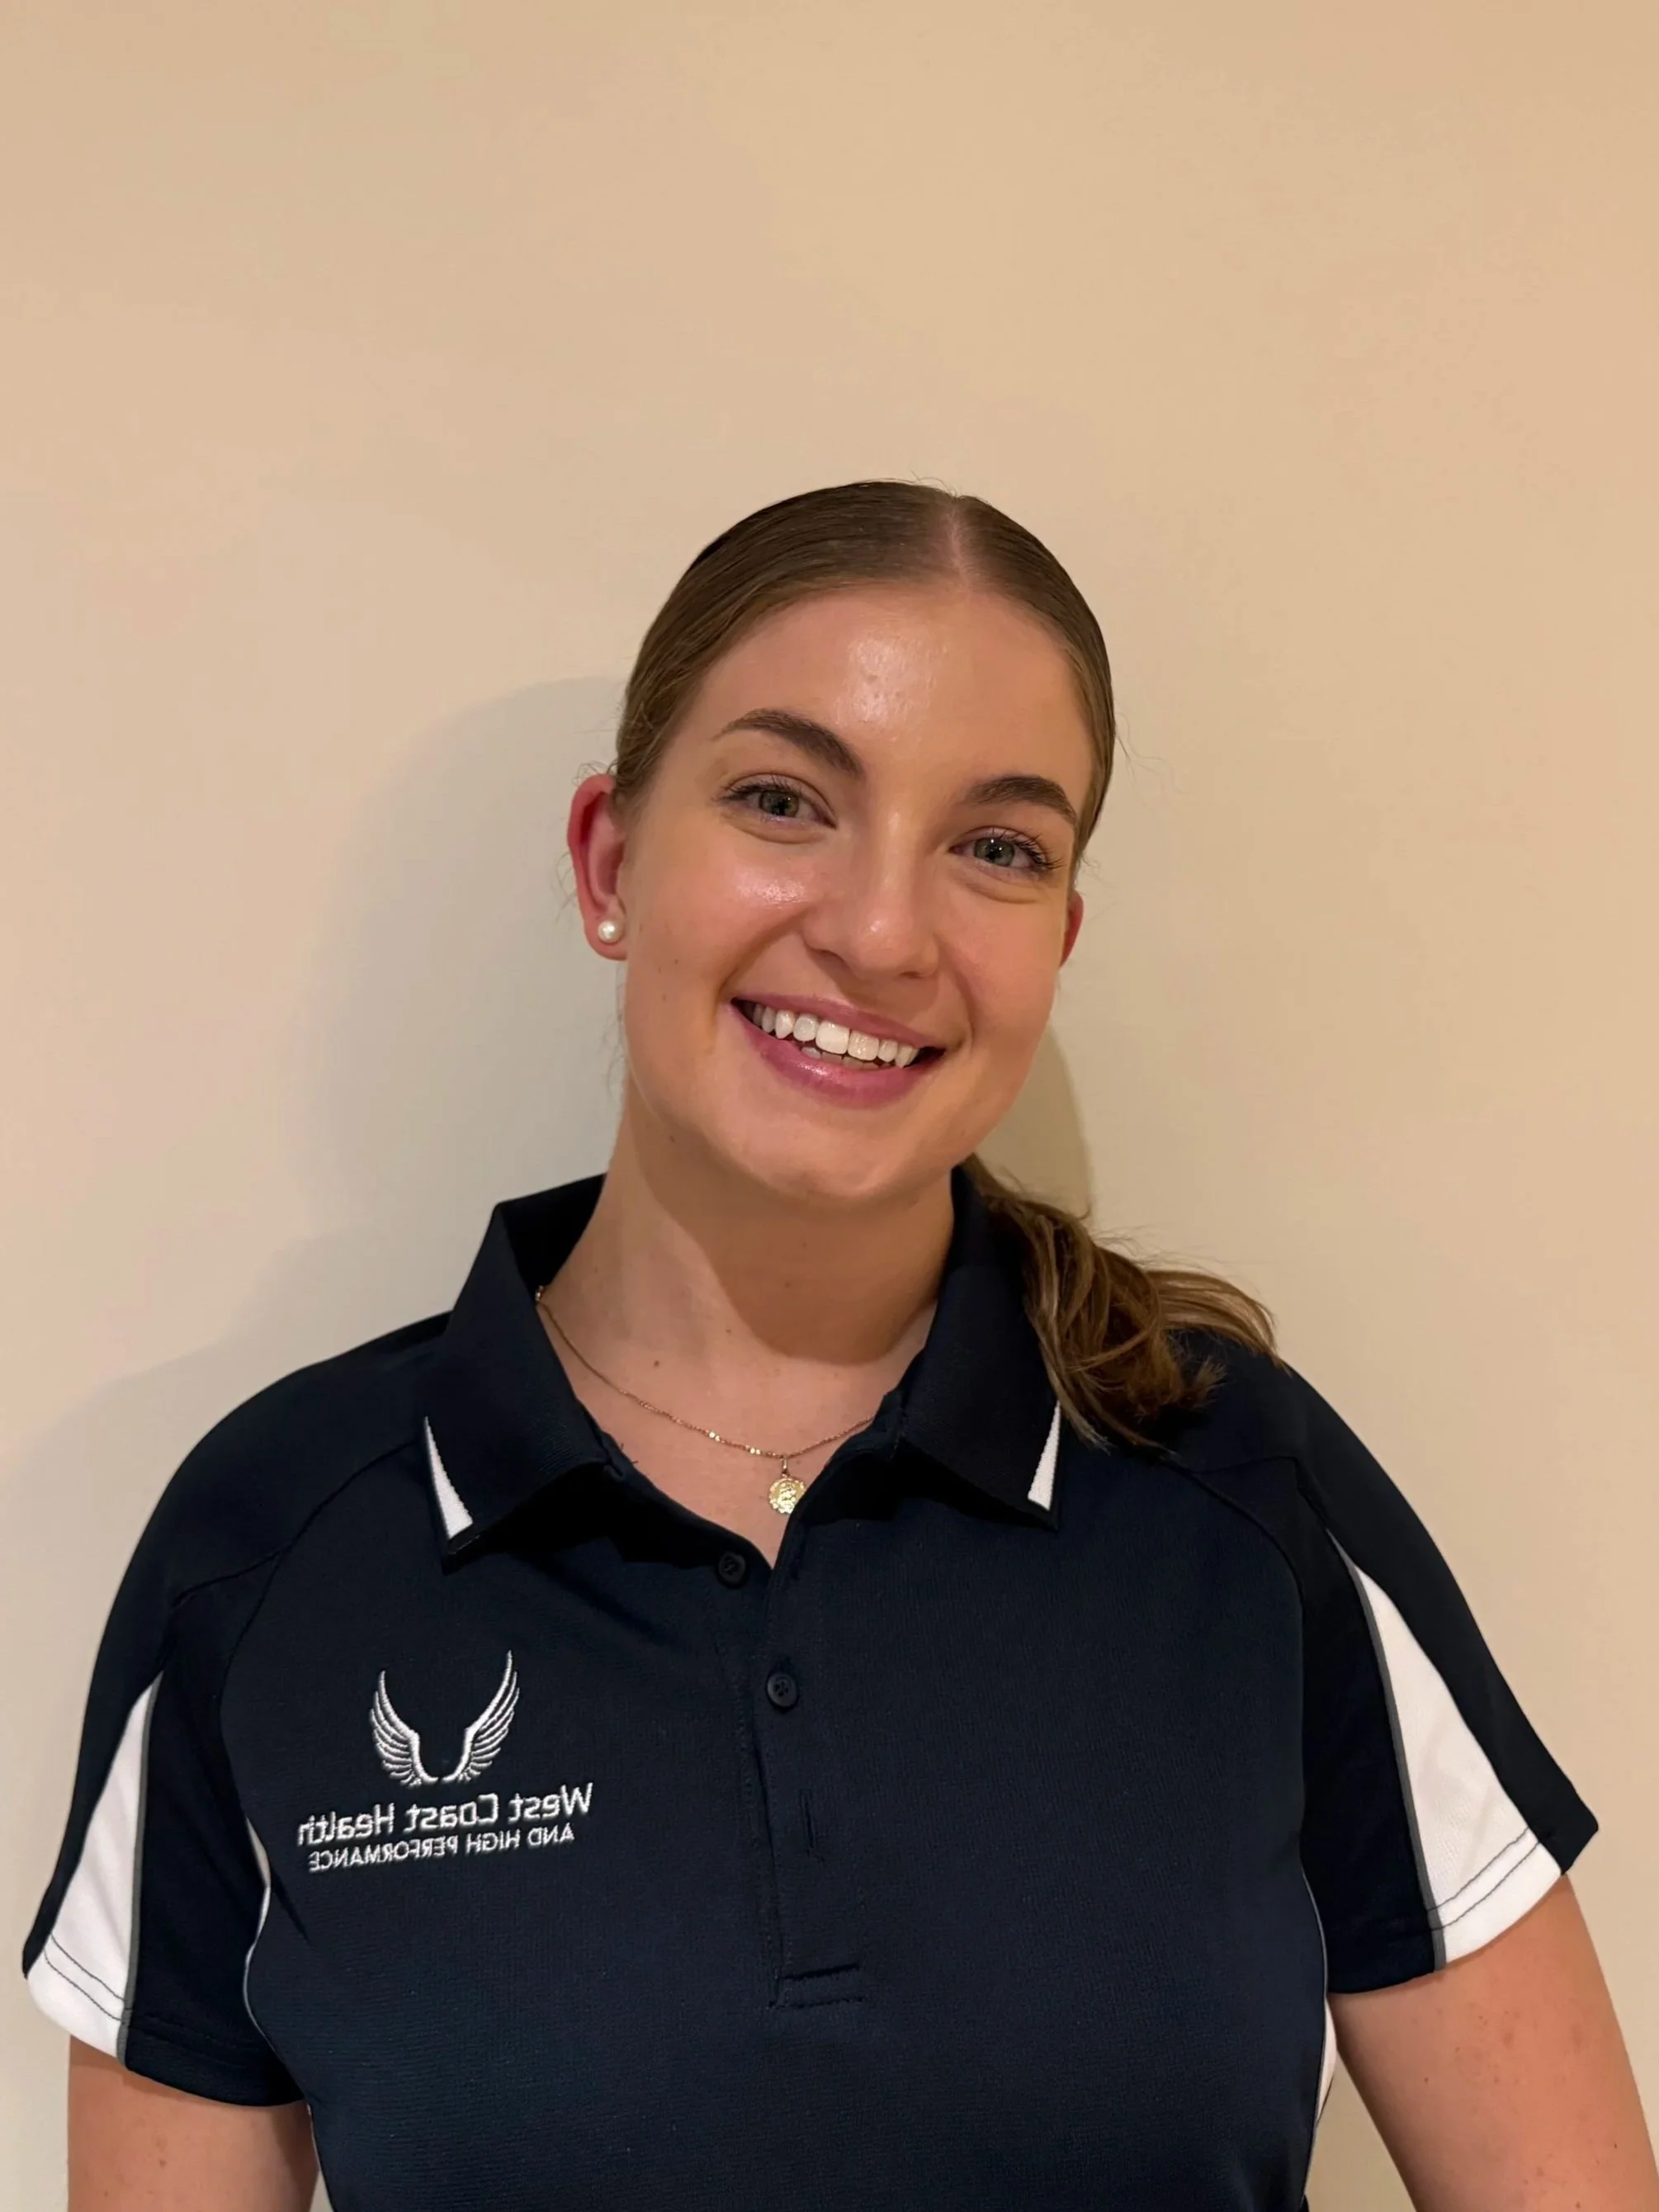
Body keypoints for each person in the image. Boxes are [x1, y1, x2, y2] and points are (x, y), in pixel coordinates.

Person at [24, 481, 1657, 2212]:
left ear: (1056, 941)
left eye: (998, 846)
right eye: (783, 800)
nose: (881, 933)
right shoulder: (270, 1547)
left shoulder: (1241, 1488)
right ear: (609, 861)